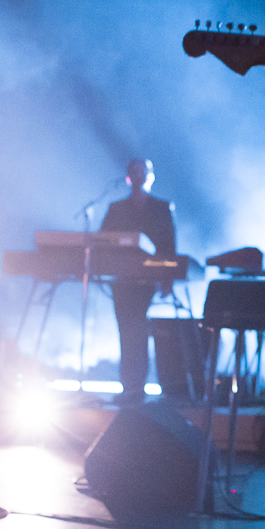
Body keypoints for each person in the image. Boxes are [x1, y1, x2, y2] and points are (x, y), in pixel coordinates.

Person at [99, 158, 175, 405]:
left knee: (138, 330)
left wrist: (168, 279)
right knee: (126, 331)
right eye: (134, 171)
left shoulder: (161, 208)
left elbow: (169, 246)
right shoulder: (116, 208)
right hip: (122, 279)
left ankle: (137, 388)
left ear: (150, 176)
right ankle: (128, 388)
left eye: (143, 171)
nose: (139, 175)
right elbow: (103, 241)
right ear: (129, 176)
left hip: (148, 279)